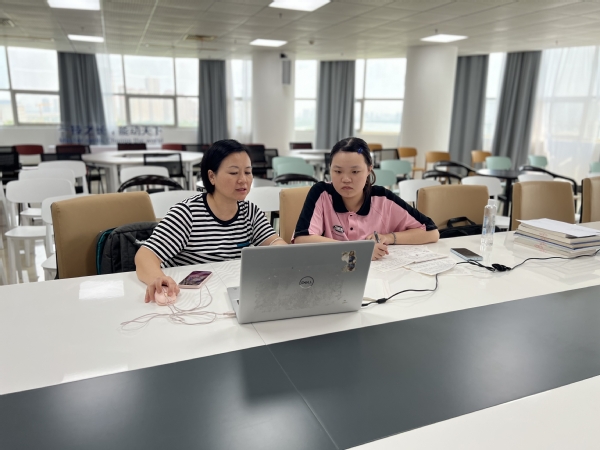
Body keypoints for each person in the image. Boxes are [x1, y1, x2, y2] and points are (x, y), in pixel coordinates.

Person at [136, 139, 285, 303]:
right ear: (212, 176)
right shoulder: (187, 214)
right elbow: (146, 255)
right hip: (188, 299)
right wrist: (157, 278)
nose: (243, 180)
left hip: (229, 296)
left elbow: (275, 242)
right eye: (234, 173)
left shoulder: (250, 212)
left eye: (248, 172)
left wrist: (281, 251)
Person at [293, 137, 439, 260]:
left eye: (355, 172)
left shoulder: (383, 199)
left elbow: (431, 232)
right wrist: (359, 251)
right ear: (330, 169)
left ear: (369, 169)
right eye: (337, 171)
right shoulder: (321, 193)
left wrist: (389, 237)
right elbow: (302, 240)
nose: (346, 179)